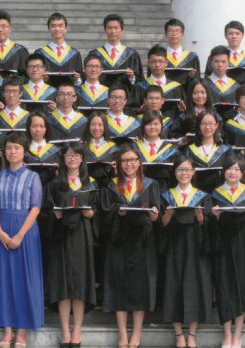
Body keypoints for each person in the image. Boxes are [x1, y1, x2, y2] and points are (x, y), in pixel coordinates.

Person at [0, 132, 44, 343]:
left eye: (17, 148)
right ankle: (7, 330)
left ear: (24, 151)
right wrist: (0, 233)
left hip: (25, 231)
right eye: (9, 148)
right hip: (1, 228)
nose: (12, 151)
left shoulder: (33, 177)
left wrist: (19, 235)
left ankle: (22, 332)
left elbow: (35, 208)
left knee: (24, 279)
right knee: (4, 279)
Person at [99, 144, 160, 348]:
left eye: (133, 160)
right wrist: (117, 210)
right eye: (124, 160)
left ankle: (137, 333)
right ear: (118, 164)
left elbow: (156, 215)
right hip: (119, 240)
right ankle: (123, 334)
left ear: (139, 162)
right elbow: (104, 213)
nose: (129, 164)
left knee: (139, 287)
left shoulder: (150, 184)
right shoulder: (110, 186)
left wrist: (154, 214)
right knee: (119, 285)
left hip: (142, 241)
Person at [43, 142, 98, 348]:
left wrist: (92, 214)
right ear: (63, 159)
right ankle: (65, 330)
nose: (72, 159)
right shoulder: (54, 184)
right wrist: (53, 215)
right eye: (68, 155)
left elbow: (98, 212)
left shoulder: (91, 184)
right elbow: (45, 211)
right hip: (61, 236)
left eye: (76, 155)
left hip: (82, 236)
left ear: (82, 159)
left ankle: (77, 331)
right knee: (63, 283)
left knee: (80, 283)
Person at [211, 155, 245, 348]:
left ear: (242, 173)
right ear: (223, 171)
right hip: (223, 243)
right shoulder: (215, 194)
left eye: (237, 169)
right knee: (224, 285)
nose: (232, 172)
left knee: (242, 285)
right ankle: (227, 334)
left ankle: (237, 335)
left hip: (243, 243)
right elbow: (209, 225)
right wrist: (215, 216)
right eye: (229, 168)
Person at [160, 157, 212, 348]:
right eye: (180, 170)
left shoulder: (202, 196)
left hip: (195, 244)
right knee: (173, 285)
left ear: (193, 172)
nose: (184, 173)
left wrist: (200, 218)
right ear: (174, 173)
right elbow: (161, 225)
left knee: (194, 285)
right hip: (174, 245)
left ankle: (192, 334)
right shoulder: (166, 195)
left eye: (187, 170)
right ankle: (178, 334)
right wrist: (167, 216)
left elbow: (208, 225)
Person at [205, 21, 245, 109]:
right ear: (225, 35)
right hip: (217, 98)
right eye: (230, 33)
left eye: (237, 33)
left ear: (242, 36)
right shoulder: (217, 57)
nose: (234, 36)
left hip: (243, 99)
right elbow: (208, 78)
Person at [87, 13, 143, 89]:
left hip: (125, 95)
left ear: (122, 30)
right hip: (101, 95)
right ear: (105, 30)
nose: (113, 31)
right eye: (109, 28)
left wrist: (132, 77)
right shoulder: (95, 55)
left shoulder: (132, 54)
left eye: (116, 28)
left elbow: (139, 81)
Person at [186, 111, 232, 193]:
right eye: (203, 124)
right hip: (197, 193)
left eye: (211, 124)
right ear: (198, 126)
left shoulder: (226, 150)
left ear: (216, 125)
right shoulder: (189, 150)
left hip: (221, 193)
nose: (207, 127)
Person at [133, 45, 184, 117]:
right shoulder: (140, 87)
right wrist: (139, 110)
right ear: (148, 64)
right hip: (147, 121)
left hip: (171, 123)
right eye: (153, 61)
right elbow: (130, 109)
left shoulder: (176, 87)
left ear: (166, 63)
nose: (157, 65)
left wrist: (182, 111)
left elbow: (182, 112)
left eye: (160, 61)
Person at [35, 13, 82, 88]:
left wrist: (77, 79)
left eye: (60, 26)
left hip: (68, 92)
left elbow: (80, 80)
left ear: (66, 28)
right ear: (49, 29)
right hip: (47, 92)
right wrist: (42, 79)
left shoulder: (75, 54)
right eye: (53, 26)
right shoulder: (40, 53)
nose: (57, 29)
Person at [136, 110, 181, 191]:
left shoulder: (171, 150)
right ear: (143, 126)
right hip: (140, 189)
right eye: (148, 124)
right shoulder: (134, 148)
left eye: (156, 124)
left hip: (164, 189)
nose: (152, 127)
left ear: (161, 126)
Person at [204, 46, 243, 121]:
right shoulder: (204, 84)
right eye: (216, 61)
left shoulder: (236, 86)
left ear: (228, 63)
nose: (220, 65)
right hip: (209, 123)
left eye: (223, 62)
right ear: (211, 63)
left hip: (231, 123)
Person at [23, 111, 61, 186]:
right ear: (28, 127)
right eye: (34, 126)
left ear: (46, 128)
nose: (38, 129)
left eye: (42, 126)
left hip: (50, 189)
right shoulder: (23, 150)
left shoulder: (56, 150)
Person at [81, 111, 118, 185]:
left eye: (100, 125)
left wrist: (114, 168)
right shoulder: (81, 147)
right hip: (86, 186)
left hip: (107, 186)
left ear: (105, 127)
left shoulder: (113, 147)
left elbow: (115, 174)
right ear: (88, 126)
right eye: (93, 124)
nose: (96, 128)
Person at [163, 18, 200, 88]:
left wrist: (192, 76)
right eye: (171, 31)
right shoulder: (160, 57)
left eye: (177, 31)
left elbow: (197, 81)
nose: (174, 34)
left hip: (186, 92)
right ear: (165, 34)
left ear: (183, 34)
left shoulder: (191, 57)